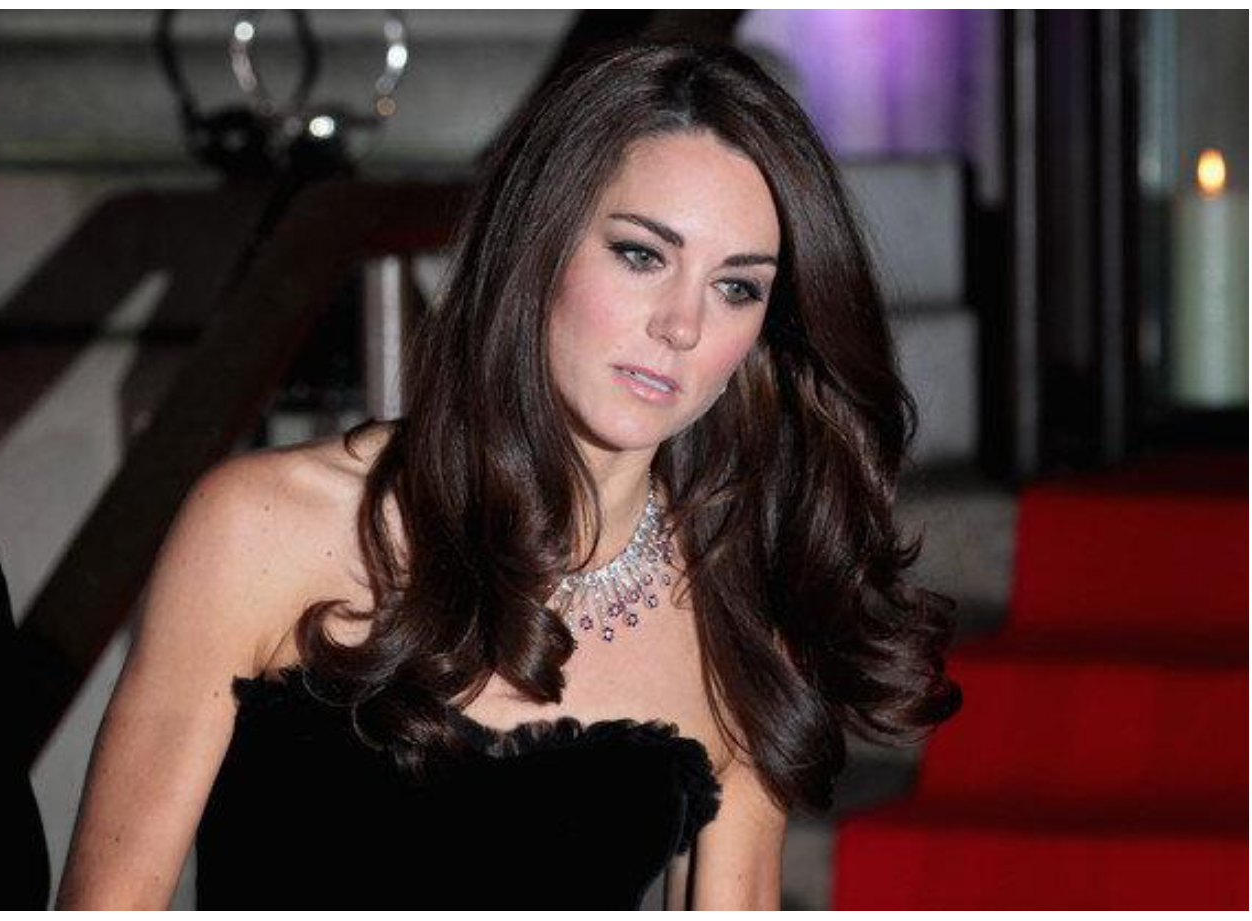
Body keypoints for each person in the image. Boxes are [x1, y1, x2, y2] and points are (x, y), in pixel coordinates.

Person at [56, 40, 961, 909]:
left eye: (737, 287)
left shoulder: (740, 607)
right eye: (641, 254)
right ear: (542, 244)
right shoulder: (264, 528)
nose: (682, 325)